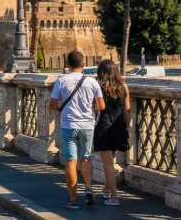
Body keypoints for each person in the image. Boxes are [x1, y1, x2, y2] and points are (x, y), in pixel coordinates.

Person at [49, 50, 105, 210]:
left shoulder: (61, 81)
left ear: (67, 65)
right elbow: (101, 105)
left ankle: (73, 200)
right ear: (83, 65)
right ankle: (88, 188)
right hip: (87, 125)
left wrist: (63, 107)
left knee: (70, 163)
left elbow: (52, 105)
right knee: (86, 159)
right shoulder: (92, 82)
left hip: (68, 125)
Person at [94, 59, 130, 206]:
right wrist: (127, 128)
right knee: (110, 161)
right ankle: (106, 189)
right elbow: (128, 110)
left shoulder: (99, 87)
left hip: (104, 126)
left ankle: (114, 197)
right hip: (119, 126)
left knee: (108, 164)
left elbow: (96, 107)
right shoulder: (124, 87)